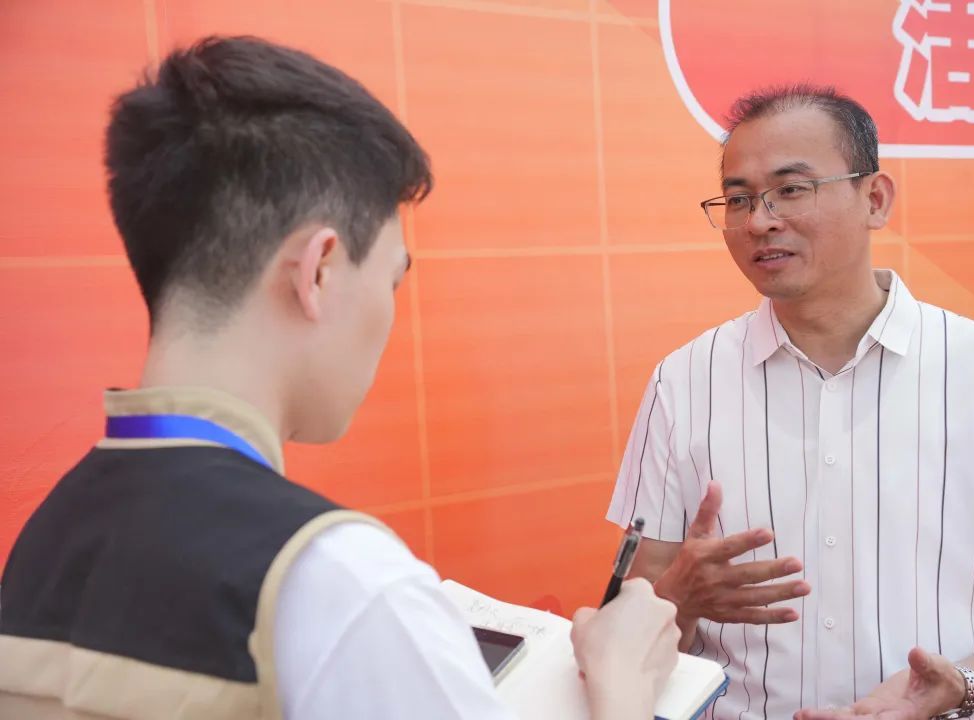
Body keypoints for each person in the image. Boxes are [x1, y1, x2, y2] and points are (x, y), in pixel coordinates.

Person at [0, 36, 679, 720]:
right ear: (319, 271)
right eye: (392, 278)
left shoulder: (43, 543)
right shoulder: (342, 583)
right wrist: (622, 682)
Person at [607, 84, 974, 720]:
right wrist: (677, 599)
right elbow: (624, 629)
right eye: (739, 198)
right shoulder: (683, 381)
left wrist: (960, 684)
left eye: (791, 189)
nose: (759, 221)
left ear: (874, 199)